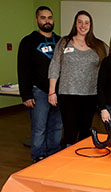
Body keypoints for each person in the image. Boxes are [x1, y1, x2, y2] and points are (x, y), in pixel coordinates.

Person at [48, 10, 108, 146]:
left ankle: (81, 161)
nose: (83, 25)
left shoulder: (99, 45)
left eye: (86, 22)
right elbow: (55, 65)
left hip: (90, 95)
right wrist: (52, 91)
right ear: (75, 24)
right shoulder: (64, 42)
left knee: (85, 131)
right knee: (70, 131)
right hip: (68, 95)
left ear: (90, 25)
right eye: (80, 22)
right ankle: (67, 161)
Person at [17, 6, 62, 162]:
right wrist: (26, 94)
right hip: (39, 92)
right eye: (43, 18)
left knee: (56, 127)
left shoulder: (60, 41)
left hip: (58, 92)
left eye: (49, 17)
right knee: (39, 127)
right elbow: (22, 69)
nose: (47, 21)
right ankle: (38, 157)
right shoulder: (28, 41)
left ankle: (54, 154)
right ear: (37, 20)